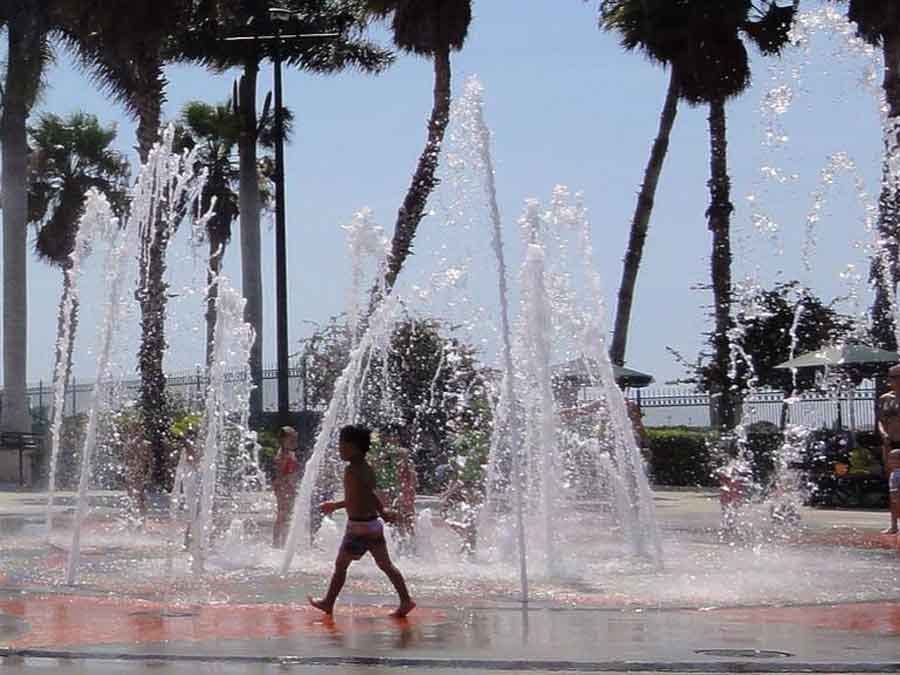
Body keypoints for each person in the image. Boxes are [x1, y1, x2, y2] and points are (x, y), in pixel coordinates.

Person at [309, 425, 415, 617]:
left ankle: (328, 602)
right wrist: (382, 513)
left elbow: (355, 499)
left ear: (353, 447)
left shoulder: (351, 470)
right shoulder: (367, 468)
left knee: (341, 566)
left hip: (357, 528)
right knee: (386, 565)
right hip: (373, 525)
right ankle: (406, 600)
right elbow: (370, 495)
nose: (339, 450)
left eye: (341, 445)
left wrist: (335, 505)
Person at [877, 364, 900, 535]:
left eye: (897, 376)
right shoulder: (885, 398)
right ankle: (893, 524)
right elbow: (880, 420)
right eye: (892, 377)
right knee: (893, 485)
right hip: (890, 444)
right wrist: (883, 435)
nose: (894, 380)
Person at [272, 426, 301, 549]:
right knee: (282, 515)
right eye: (291, 439)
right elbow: (279, 475)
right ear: (283, 440)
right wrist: (285, 485)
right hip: (285, 488)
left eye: (295, 438)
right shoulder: (282, 455)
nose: (294, 441)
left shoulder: (290, 453)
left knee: (287, 516)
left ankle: (283, 542)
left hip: (289, 488)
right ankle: (277, 543)